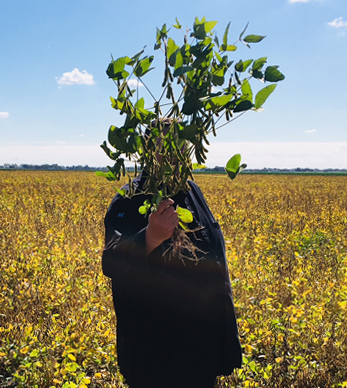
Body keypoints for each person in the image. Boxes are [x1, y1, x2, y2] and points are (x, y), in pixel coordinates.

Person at [102, 131, 242, 387]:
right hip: (156, 357)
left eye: (180, 149)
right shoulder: (129, 198)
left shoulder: (191, 190)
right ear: (147, 154)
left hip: (201, 349)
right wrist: (150, 238)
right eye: (165, 148)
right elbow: (112, 261)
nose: (175, 156)